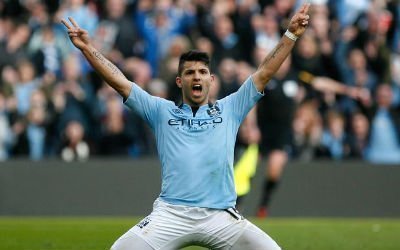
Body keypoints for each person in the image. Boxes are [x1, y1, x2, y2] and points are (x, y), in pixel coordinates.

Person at [61, 3, 310, 249]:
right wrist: (87, 48)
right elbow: (120, 82)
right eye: (190, 73)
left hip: (220, 216)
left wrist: (290, 35)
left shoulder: (230, 108)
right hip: (171, 214)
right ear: (180, 81)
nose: (197, 76)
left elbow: (265, 72)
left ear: (211, 80)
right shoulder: (160, 110)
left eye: (202, 72)